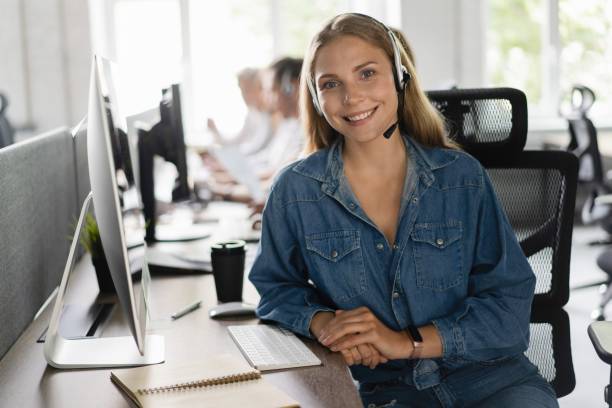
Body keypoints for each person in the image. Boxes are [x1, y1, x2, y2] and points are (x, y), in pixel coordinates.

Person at [249, 13, 558, 408]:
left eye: (367, 74)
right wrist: (327, 324)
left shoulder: (461, 178)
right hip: (390, 392)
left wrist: (403, 342)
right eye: (331, 83)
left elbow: (508, 312)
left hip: (492, 380)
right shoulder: (295, 190)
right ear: (314, 95)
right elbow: (275, 289)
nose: (352, 97)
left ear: (400, 77)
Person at [207, 67, 273, 156]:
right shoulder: (252, 114)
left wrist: (233, 156)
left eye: (247, 90)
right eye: (241, 90)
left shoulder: (271, 116)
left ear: (258, 87)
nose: (244, 96)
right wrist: (215, 131)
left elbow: (256, 148)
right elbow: (236, 141)